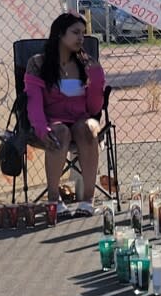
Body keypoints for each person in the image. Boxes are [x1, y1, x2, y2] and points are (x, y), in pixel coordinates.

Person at [24, 12, 105, 218]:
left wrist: (96, 81)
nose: (80, 38)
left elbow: (95, 108)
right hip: (52, 122)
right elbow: (33, 103)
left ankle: (88, 199)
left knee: (87, 129)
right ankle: (54, 199)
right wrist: (42, 129)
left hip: (82, 119)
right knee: (59, 133)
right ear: (60, 33)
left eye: (83, 34)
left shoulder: (87, 63)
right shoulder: (38, 64)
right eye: (75, 32)